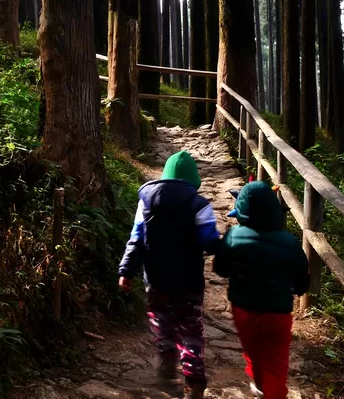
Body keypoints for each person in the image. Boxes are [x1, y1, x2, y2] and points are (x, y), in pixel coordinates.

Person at [118, 150, 221, 399]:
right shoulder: (200, 205)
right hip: (189, 282)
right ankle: (194, 380)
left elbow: (136, 239)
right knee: (191, 329)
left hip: (155, 279)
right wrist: (225, 248)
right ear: (193, 180)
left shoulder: (146, 201)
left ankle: (166, 359)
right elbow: (209, 241)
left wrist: (126, 271)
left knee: (161, 321)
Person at [213, 181, 310, 399]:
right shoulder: (289, 241)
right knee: (276, 363)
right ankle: (271, 391)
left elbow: (220, 269)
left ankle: (259, 385)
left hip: (244, 310)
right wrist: (300, 289)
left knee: (253, 351)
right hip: (277, 314)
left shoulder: (233, 236)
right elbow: (301, 276)